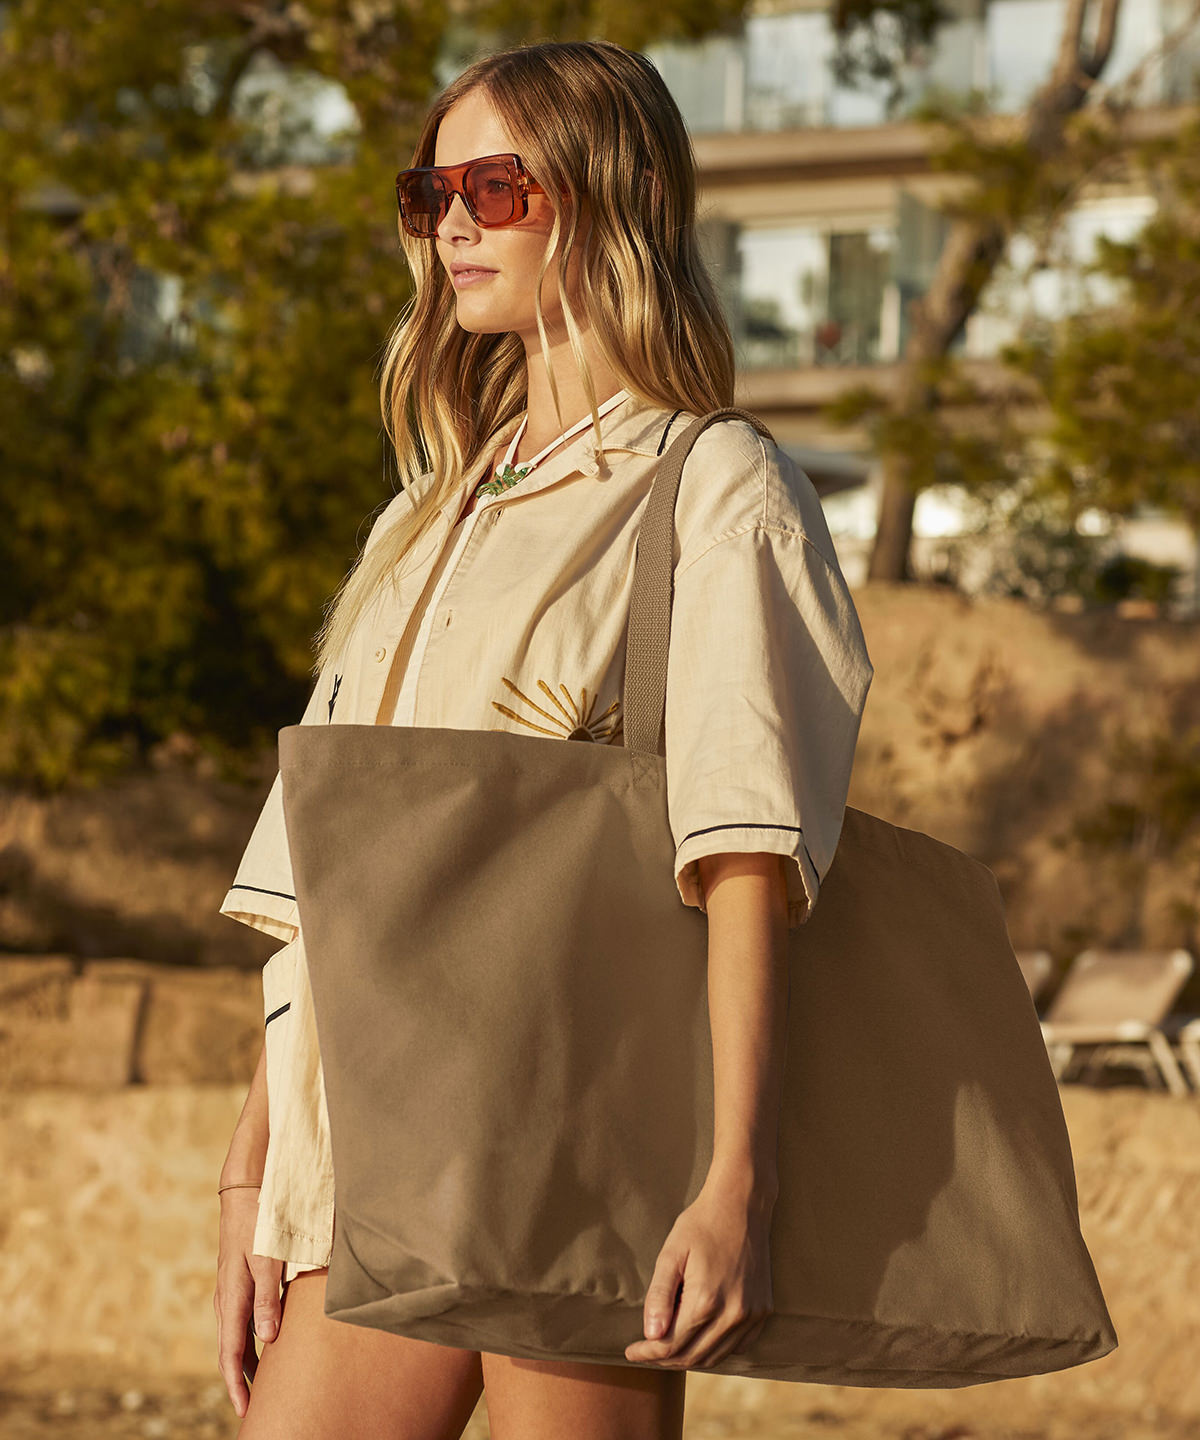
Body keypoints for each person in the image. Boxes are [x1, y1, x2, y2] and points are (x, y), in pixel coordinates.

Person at [213, 37, 873, 1440]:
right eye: (430, 192)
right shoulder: (424, 517)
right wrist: (254, 1181)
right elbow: (328, 889)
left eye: (495, 187)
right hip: (373, 1158)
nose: (451, 223)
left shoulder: (715, 487)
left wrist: (736, 1182)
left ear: (613, 192)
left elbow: (745, 856)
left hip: (578, 1144)